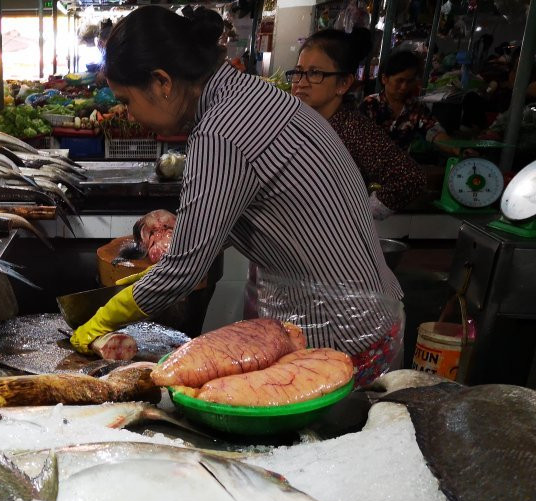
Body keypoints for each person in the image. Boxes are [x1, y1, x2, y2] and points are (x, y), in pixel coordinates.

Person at [69, 5, 404, 385]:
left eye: (127, 101)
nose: (127, 115)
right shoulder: (251, 95)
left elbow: (182, 271)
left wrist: (102, 319)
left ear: (162, 82)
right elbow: (269, 206)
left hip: (339, 335)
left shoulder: (220, 132)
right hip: (366, 316)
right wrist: (191, 225)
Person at [289, 28, 426, 219]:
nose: (300, 83)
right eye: (298, 72)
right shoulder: (304, 123)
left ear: (343, 83)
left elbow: (410, 179)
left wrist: (359, 215)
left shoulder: (353, 129)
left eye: (314, 73)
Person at [358, 50, 461, 154]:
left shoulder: (416, 107)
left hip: (402, 167)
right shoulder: (370, 105)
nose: (404, 87)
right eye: (399, 81)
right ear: (384, 79)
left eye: (410, 81)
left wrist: (457, 149)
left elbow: (434, 130)